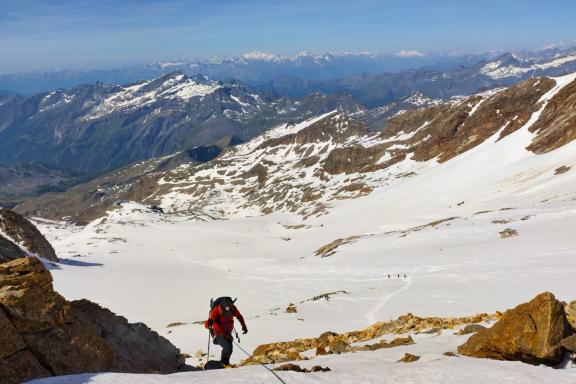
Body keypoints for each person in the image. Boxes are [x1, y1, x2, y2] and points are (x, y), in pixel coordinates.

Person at [205, 297, 248, 366]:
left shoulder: (232, 308)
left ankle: (224, 363)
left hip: (228, 333)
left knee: (230, 350)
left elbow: (239, 316)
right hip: (218, 333)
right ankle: (223, 364)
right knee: (227, 348)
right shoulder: (215, 310)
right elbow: (211, 325)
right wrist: (224, 334)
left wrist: (243, 325)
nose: (227, 315)